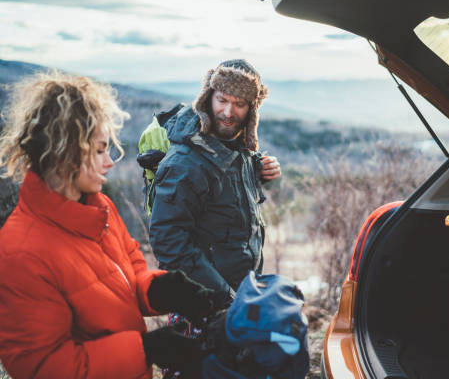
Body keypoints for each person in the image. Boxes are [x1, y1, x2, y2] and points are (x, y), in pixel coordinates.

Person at [0, 72, 216, 378]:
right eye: (100, 150)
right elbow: (43, 368)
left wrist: (162, 290)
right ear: (65, 152)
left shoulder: (98, 209)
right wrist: (147, 349)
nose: (110, 161)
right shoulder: (21, 254)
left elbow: (127, 277)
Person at [148, 59, 281, 308]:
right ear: (207, 97)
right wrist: (223, 300)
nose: (228, 112)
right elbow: (169, 245)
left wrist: (257, 172)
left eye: (239, 104)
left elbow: (225, 207)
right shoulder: (184, 162)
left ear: (251, 110)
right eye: (222, 100)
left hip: (240, 293)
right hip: (206, 306)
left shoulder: (235, 148)